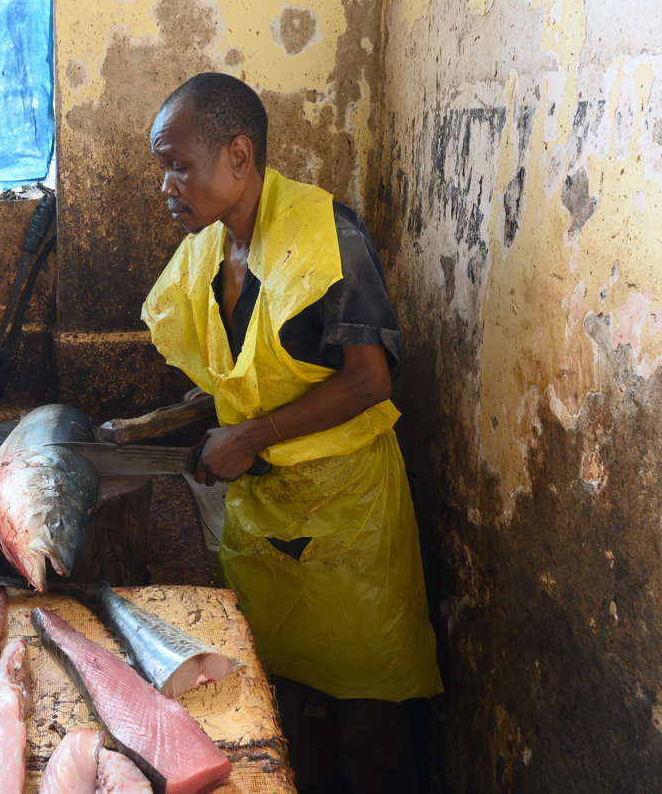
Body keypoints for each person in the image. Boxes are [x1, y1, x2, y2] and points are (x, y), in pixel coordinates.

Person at [142, 72, 442, 791]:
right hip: (264, 519)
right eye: (163, 168)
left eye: (178, 165)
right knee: (271, 701)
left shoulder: (325, 233)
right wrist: (155, 424)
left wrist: (245, 440)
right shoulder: (211, 254)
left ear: (238, 157)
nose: (167, 186)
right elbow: (242, 376)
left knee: (364, 713)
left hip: (345, 521)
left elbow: (370, 380)